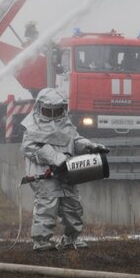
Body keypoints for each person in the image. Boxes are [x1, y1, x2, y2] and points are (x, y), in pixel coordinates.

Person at [19, 88, 108, 251]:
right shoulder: (32, 127)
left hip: (67, 174)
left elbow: (75, 141)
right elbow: (28, 148)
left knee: (73, 207)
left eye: (57, 111)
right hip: (45, 176)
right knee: (46, 207)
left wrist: (90, 146)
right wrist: (54, 157)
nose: (53, 115)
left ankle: (71, 239)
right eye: (48, 111)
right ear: (39, 108)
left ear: (63, 109)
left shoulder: (66, 125)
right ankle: (41, 241)